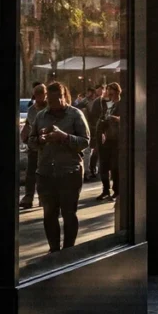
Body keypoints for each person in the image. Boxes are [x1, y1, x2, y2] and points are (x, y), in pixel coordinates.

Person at [29, 81, 90, 253]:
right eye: (51, 99)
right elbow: (31, 142)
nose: (55, 102)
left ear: (64, 97)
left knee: (69, 213)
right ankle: (54, 249)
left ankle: (69, 250)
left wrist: (63, 136)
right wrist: (41, 139)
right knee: (49, 214)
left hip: (69, 172)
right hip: (46, 173)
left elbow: (85, 142)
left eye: (58, 98)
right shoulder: (41, 116)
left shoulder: (75, 115)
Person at [19, 82, 47, 210]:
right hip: (34, 145)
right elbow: (28, 124)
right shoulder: (31, 109)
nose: (40, 97)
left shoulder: (50, 108)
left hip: (47, 147)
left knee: (44, 174)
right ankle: (28, 197)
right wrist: (25, 135)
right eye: (37, 95)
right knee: (31, 173)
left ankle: (43, 198)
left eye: (42, 94)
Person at [97, 82, 123, 201]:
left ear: (117, 91)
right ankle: (105, 190)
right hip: (107, 139)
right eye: (108, 90)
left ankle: (116, 190)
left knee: (114, 166)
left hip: (116, 139)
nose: (109, 93)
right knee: (103, 166)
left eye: (111, 90)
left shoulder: (122, 104)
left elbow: (125, 119)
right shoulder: (109, 105)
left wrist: (115, 119)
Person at [86, 85, 106, 180]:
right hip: (98, 128)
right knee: (97, 151)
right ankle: (93, 169)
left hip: (105, 129)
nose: (101, 91)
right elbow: (92, 116)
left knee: (99, 151)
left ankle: (96, 169)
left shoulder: (106, 101)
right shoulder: (97, 102)